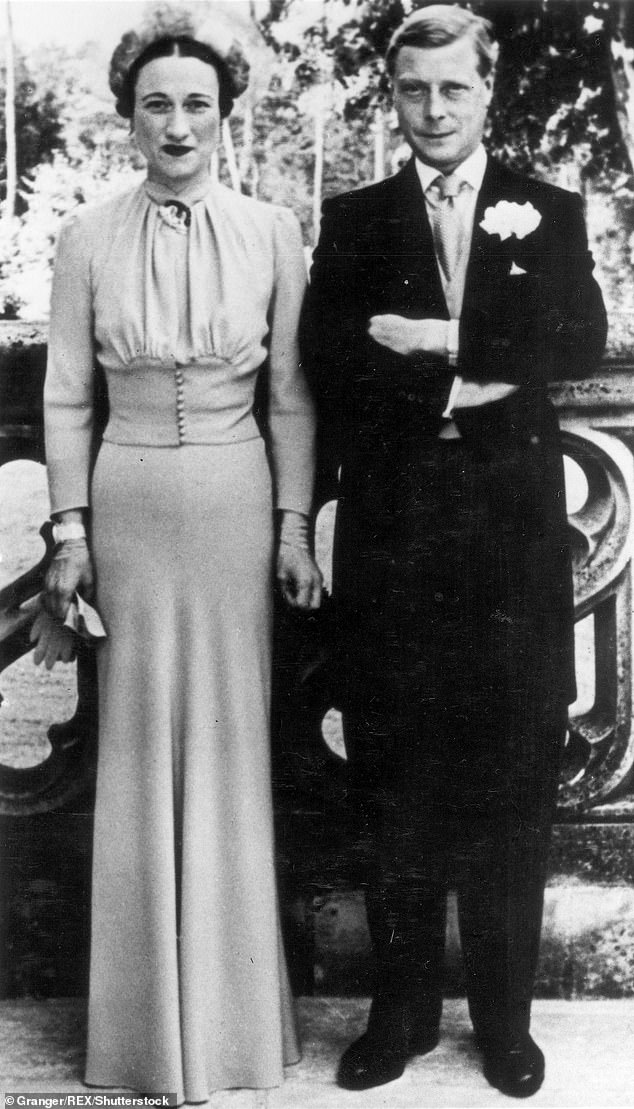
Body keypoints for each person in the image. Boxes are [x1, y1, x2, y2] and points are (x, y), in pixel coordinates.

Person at [302, 5, 607, 1098]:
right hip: (392, 535)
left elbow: (578, 335)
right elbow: (331, 360)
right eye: (414, 91)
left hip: (510, 550)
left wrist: (447, 344)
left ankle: (507, 1020)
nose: (433, 111)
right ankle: (398, 1015)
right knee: (394, 775)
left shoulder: (546, 209)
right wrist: (481, 379)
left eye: (454, 90)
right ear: (393, 96)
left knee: (510, 780)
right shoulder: (355, 217)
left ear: (489, 93)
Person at [40, 15, 322, 1102]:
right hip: (129, 499)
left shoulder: (270, 228)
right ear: (128, 114)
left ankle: (235, 1028)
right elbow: (67, 392)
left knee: (231, 743)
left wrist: (295, 522)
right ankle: (149, 1040)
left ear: (224, 113)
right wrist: (68, 527)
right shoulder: (86, 235)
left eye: (196, 102)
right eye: (156, 101)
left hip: (235, 498)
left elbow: (291, 390)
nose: (177, 122)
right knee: (138, 745)